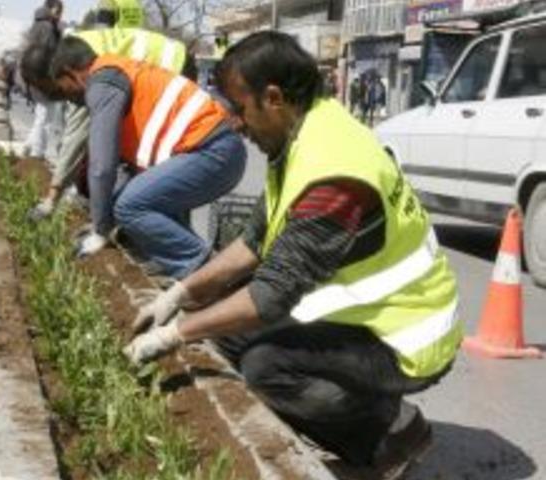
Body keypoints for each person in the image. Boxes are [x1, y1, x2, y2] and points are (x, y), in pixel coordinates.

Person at [124, 31, 461, 478]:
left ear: (274, 98)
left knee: (265, 368)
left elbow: (270, 296)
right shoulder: (303, 133)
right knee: (226, 333)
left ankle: (391, 431)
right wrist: (180, 295)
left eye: (240, 110)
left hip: (409, 336)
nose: (236, 125)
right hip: (369, 316)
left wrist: (173, 336)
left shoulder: (333, 174)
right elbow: (253, 244)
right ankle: (365, 403)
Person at [44, 37, 247, 279]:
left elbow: (101, 168)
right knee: (133, 200)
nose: (66, 96)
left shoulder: (102, 83)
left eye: (63, 87)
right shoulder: (115, 72)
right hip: (209, 150)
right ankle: (192, 272)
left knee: (130, 205)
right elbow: (122, 165)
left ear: (72, 73)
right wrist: (103, 219)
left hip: (212, 151)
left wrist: (100, 229)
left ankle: (211, 276)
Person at [23, 26, 194, 221]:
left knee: (163, 158)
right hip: (169, 61)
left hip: (172, 66)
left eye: (52, 89)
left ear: (53, 73)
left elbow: (77, 137)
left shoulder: (79, 69)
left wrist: (52, 198)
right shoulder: (71, 51)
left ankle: (169, 232)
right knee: (139, 156)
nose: (60, 96)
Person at [22, 0, 65, 159]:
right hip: (44, 78)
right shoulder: (47, 28)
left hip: (36, 76)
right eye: (58, 10)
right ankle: (37, 153)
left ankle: (28, 146)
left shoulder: (39, 25)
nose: (60, 14)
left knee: (42, 115)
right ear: (50, 8)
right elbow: (47, 56)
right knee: (45, 118)